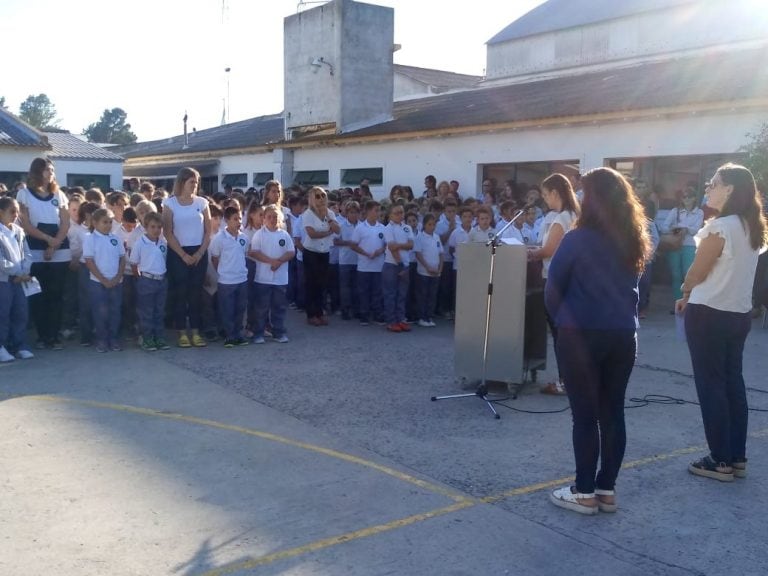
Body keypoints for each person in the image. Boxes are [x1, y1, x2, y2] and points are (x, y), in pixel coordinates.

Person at [546, 167, 651, 515]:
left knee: (585, 416)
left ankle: (583, 491)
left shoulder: (577, 239)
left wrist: (564, 323)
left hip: (582, 335)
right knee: (613, 412)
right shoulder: (634, 238)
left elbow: (553, 289)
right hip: (623, 334)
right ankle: (607, 489)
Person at [676, 163, 767, 482]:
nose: (708, 189)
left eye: (713, 184)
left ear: (729, 189)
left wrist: (685, 290)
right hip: (737, 314)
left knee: (711, 385)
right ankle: (736, 456)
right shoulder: (750, 227)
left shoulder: (721, 227)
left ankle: (719, 459)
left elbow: (698, 272)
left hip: (708, 313)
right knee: (732, 383)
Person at [527, 173, 580, 396]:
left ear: (556, 193)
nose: (545, 200)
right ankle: (571, 379)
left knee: (560, 334)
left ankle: (564, 381)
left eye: (546, 195)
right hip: (571, 280)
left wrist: (530, 253)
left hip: (556, 280)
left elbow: (549, 250)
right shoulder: (575, 214)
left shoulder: (561, 218)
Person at [16, 158, 71, 350]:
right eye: (47, 169)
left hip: (59, 251)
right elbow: (26, 224)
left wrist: (54, 245)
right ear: (37, 171)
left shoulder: (60, 194)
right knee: (39, 295)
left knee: (56, 295)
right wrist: (47, 240)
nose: (50, 173)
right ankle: (42, 335)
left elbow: (65, 223)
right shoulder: (24, 194)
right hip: (36, 250)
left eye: (52, 170)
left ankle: (54, 336)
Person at [162, 167, 212, 348]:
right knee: (180, 293)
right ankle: (182, 332)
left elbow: (208, 231)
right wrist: (183, 255)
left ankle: (197, 332)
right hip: (178, 254)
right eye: (192, 182)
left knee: (195, 293)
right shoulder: (170, 204)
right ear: (182, 182)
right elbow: (167, 232)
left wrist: (199, 253)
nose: (195, 185)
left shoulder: (202, 202)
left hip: (199, 252)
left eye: (197, 182)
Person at [249, 204, 295, 344]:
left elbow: (291, 252)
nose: (272, 219)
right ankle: (258, 333)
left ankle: (279, 333)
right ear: (264, 219)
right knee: (261, 308)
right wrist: (271, 262)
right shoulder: (259, 234)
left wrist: (279, 261)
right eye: (269, 217)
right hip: (263, 278)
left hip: (280, 279)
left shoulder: (284, 235)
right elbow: (254, 252)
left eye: (275, 217)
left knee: (279, 307)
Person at [83, 208, 126, 353]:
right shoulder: (89, 238)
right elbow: (89, 261)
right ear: (95, 223)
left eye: (110, 222)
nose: (108, 225)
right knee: (100, 312)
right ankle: (101, 340)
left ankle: (113, 339)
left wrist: (118, 277)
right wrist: (103, 280)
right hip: (98, 283)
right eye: (104, 222)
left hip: (116, 282)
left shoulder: (116, 238)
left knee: (115, 311)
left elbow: (122, 258)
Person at [209, 206, 250, 348]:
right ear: (227, 220)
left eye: (239, 218)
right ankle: (229, 335)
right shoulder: (219, 238)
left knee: (240, 308)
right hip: (226, 281)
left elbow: (244, 256)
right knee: (227, 309)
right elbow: (215, 258)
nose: (238, 222)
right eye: (235, 219)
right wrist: (223, 271)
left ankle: (239, 334)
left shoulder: (244, 238)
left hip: (242, 279)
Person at [0, 197, 34, 362]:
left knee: (20, 312)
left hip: (19, 280)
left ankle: (19, 345)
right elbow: (1, 261)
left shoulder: (19, 231)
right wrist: (16, 272)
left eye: (17, 211)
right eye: (11, 211)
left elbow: (27, 253)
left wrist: (24, 270)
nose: (15, 215)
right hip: (4, 280)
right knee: (3, 314)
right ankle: (2, 346)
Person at [129, 212, 170, 352]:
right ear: (145, 227)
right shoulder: (140, 243)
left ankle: (159, 337)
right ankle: (147, 338)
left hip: (161, 280)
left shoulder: (163, 243)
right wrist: (140, 278)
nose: (156, 230)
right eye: (152, 227)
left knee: (159, 311)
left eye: (159, 227)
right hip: (146, 279)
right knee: (146, 311)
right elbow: (134, 263)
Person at [660, 187, 704, 312]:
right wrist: (680, 229)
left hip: (690, 245)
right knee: (676, 275)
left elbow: (696, 229)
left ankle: (689, 303)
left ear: (695, 198)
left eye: (689, 196)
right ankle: (677, 304)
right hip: (674, 245)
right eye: (684, 196)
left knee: (688, 274)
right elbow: (664, 227)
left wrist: (683, 228)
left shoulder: (699, 212)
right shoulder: (675, 211)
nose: (686, 199)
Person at [302, 187, 340, 326]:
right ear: (312, 198)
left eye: (323, 195)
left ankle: (320, 312)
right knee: (311, 284)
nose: (321, 198)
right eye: (317, 196)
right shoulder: (308, 214)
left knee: (322, 284)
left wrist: (329, 219)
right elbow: (311, 233)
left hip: (325, 252)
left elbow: (338, 230)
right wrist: (328, 233)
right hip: (311, 252)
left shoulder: (330, 213)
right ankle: (311, 314)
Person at [351, 200, 386, 326]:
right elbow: (353, 245)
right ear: (368, 211)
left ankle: (377, 315)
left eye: (379, 210)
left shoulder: (382, 228)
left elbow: (387, 245)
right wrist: (366, 254)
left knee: (378, 291)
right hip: (364, 266)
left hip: (378, 266)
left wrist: (379, 251)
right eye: (376, 210)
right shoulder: (360, 228)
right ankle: (364, 315)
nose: (378, 213)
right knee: (363, 291)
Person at [382, 204, 414, 333]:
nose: (400, 215)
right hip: (392, 265)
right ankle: (391, 321)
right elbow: (391, 247)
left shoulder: (407, 228)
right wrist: (400, 263)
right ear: (390, 215)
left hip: (406, 265)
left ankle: (401, 319)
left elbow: (411, 245)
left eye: (401, 212)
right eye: (396, 213)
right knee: (391, 294)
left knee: (402, 294)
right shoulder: (388, 228)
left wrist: (399, 245)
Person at [414, 213, 443, 327]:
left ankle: (429, 316)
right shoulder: (420, 237)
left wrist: (440, 268)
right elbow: (418, 254)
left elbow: (441, 253)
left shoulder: (436, 237)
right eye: (429, 224)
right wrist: (427, 267)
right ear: (424, 225)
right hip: (424, 272)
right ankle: (421, 317)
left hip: (435, 272)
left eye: (434, 224)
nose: (432, 226)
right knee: (423, 294)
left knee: (432, 295)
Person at [336, 200, 360, 320]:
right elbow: (335, 241)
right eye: (351, 212)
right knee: (345, 287)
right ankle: (345, 309)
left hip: (358, 260)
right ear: (347, 213)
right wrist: (347, 243)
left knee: (357, 286)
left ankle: (356, 309)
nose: (353, 215)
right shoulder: (342, 226)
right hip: (345, 260)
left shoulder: (361, 226)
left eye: (355, 212)